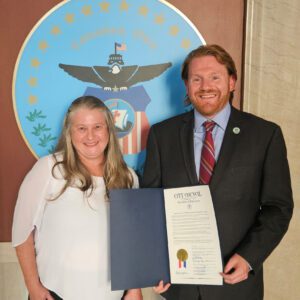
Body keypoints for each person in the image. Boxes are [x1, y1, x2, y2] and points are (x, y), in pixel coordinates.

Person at [142, 44, 293, 300]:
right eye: (196, 79)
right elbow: (150, 204)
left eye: (215, 77)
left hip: (236, 285)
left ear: (232, 82)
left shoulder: (265, 135)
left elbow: (278, 208)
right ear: (187, 86)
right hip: (180, 287)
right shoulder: (161, 135)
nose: (206, 86)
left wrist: (249, 257)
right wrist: (155, 264)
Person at [12, 96, 142, 300]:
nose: (90, 136)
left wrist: (134, 289)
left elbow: (133, 240)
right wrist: (33, 287)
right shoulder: (48, 169)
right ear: (69, 133)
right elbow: (21, 232)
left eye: (98, 126)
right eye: (81, 128)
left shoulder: (127, 177)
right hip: (55, 294)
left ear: (109, 130)